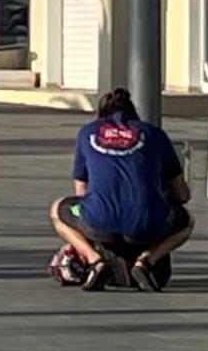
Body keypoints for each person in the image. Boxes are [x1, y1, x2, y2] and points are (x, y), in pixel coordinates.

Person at [51, 87, 194, 291]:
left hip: (98, 219)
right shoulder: (154, 133)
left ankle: (95, 261)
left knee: (58, 210)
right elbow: (182, 194)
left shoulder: (87, 132)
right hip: (147, 221)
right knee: (187, 221)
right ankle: (146, 261)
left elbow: (81, 192)